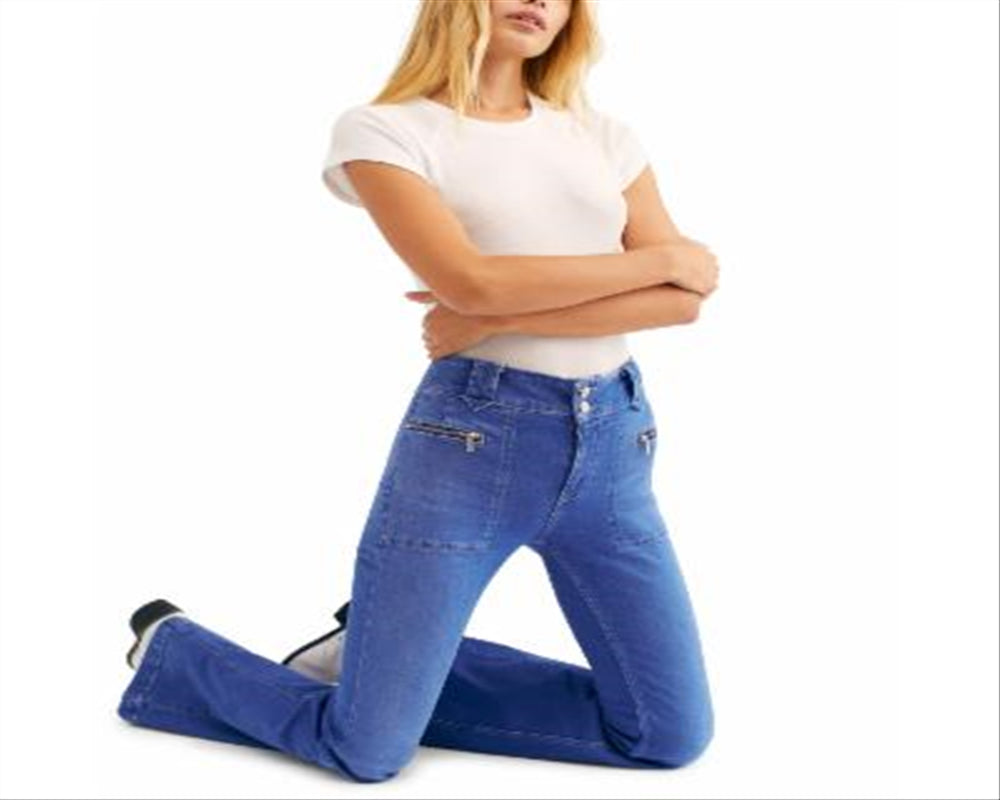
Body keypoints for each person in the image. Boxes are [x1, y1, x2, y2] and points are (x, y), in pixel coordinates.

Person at [116, 0, 720, 783]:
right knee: (367, 752)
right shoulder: (386, 132)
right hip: (470, 448)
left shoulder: (601, 136)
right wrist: (653, 261)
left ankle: (370, 659)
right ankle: (174, 652)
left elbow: (681, 303)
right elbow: (470, 280)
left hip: (614, 443)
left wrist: (492, 316)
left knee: (667, 735)